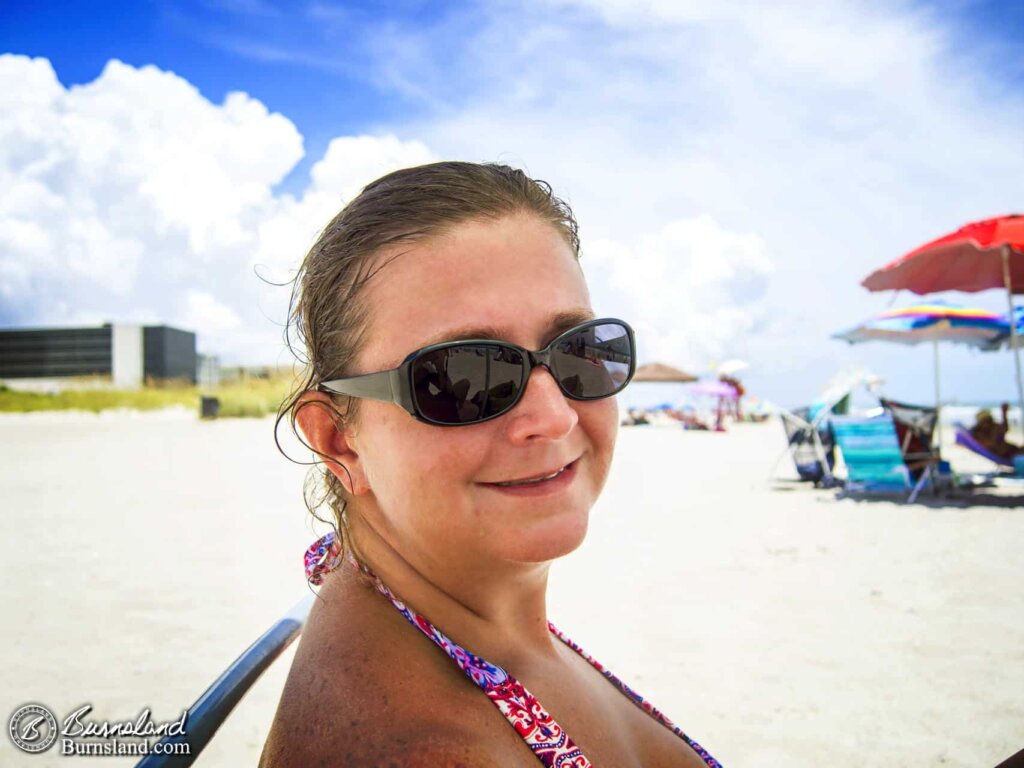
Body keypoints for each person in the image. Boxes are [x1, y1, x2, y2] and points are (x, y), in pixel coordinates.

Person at [261, 162, 722, 767]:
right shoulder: (427, 749)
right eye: (466, 375)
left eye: (580, 353)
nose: (554, 416)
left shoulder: (449, 618)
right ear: (339, 441)